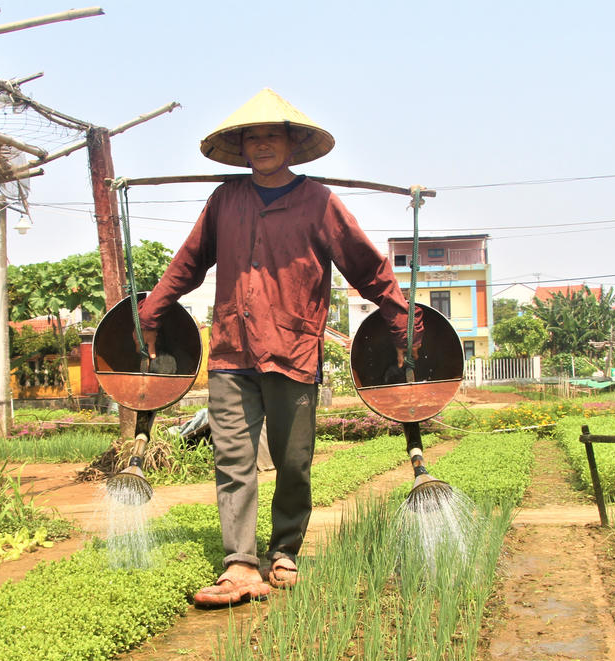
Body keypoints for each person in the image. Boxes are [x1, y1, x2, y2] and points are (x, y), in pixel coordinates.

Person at [137, 89, 423, 607]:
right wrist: (152, 309)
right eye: (253, 137)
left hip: (292, 349)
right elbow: (188, 262)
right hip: (231, 349)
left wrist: (401, 325)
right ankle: (240, 564)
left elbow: (368, 268)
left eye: (271, 135)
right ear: (242, 148)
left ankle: (285, 547)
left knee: (294, 460)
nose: (262, 144)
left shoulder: (319, 203)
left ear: (291, 145)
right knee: (233, 459)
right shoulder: (225, 200)